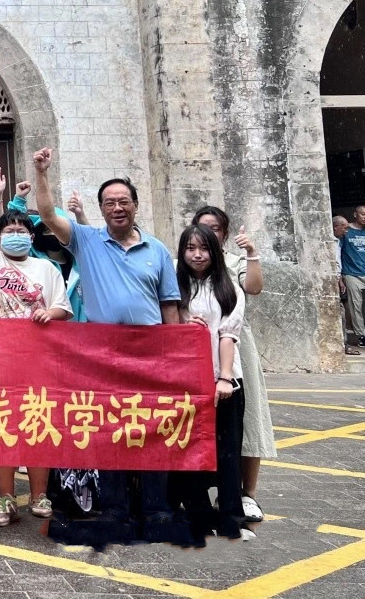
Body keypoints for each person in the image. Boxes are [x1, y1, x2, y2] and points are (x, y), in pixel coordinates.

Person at [32, 149, 186, 549]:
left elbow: (169, 306)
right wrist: (41, 172)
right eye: (109, 203)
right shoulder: (86, 240)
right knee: (110, 429)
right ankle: (115, 507)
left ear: (135, 205)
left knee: (154, 428)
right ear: (101, 209)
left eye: (123, 202)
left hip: (150, 351)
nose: (117, 208)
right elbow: (47, 214)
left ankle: (156, 508)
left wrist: (176, 357)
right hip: (103, 353)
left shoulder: (156, 250)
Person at [0, 169, 71, 525]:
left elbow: (63, 308)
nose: (15, 235)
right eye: (8, 231)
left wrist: (49, 313)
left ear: (31, 235)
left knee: (37, 425)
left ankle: (39, 495)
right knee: (2, 427)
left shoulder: (47, 269)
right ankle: (6, 497)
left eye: (21, 230)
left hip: (38, 361)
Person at [191, 206, 275, 524]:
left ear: (224, 233)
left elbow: (253, 287)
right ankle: (202, 493)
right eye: (203, 227)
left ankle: (247, 493)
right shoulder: (185, 261)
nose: (209, 233)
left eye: (215, 228)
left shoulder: (233, 262)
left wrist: (251, 252)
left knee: (249, 418)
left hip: (236, 346)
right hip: (197, 351)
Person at [176, 224, 250, 542]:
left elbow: (227, 335)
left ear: (215, 251)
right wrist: (181, 322)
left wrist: (224, 378)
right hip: (185, 382)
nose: (197, 255)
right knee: (189, 449)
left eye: (204, 248)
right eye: (190, 248)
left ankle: (232, 518)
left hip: (223, 381)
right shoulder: (175, 287)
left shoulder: (228, 288)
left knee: (227, 451)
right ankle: (199, 515)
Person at [341, 206, 365, 353]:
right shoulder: (346, 230)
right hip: (352, 273)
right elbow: (338, 250)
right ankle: (362, 335)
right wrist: (340, 275)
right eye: (363, 214)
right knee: (356, 305)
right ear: (355, 214)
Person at [336, 215, 358, 354]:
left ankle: (344, 343)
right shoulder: (331, 242)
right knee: (341, 313)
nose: (346, 231)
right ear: (335, 227)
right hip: (335, 280)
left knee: (343, 312)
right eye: (344, 228)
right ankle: (343, 343)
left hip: (339, 279)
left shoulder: (338, 241)